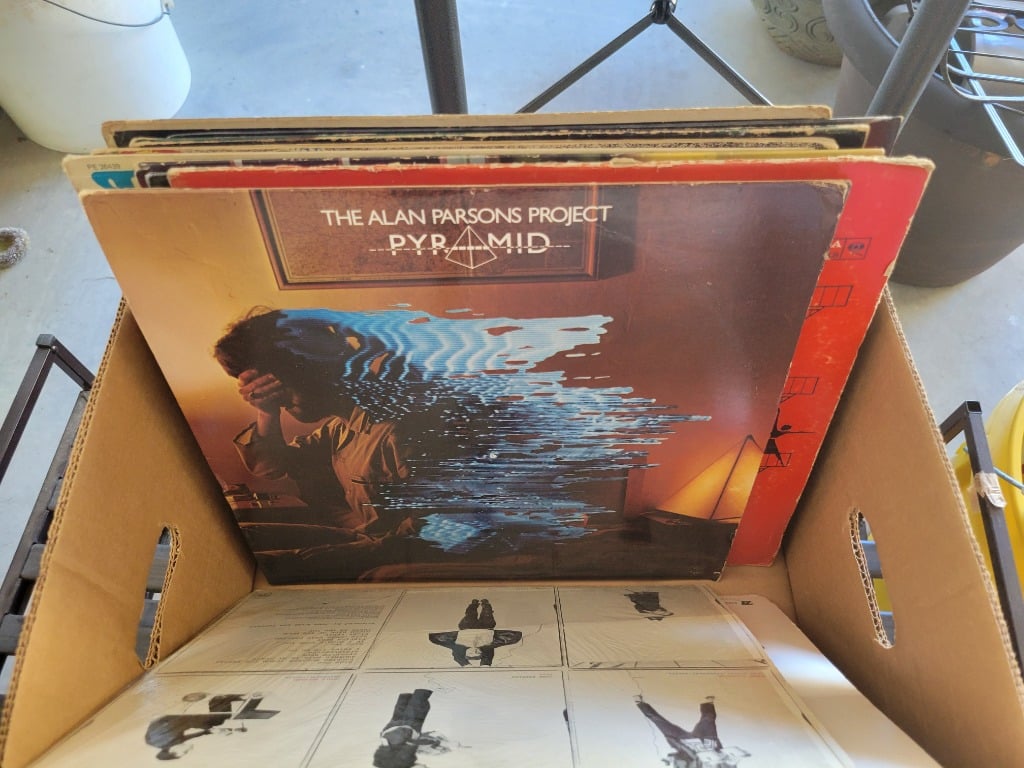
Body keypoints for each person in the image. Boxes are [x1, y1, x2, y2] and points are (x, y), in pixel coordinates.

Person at [213, 308, 431, 539]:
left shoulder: (396, 432)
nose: (278, 400)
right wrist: (267, 413)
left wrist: (352, 549)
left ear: (315, 372)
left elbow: (432, 532)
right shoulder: (340, 429)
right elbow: (273, 465)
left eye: (280, 388)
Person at [427, 598, 523, 666]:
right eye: (477, 653)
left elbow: (456, 656)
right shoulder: (486, 646)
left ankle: (474, 604)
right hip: (486, 628)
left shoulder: (459, 645)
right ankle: (485, 604)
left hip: (467, 627)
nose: (475, 651)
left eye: (471, 653)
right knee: (487, 615)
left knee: (470, 615)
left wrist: (465, 665)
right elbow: (495, 648)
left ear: (466, 653)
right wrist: (485, 665)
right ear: (481, 653)